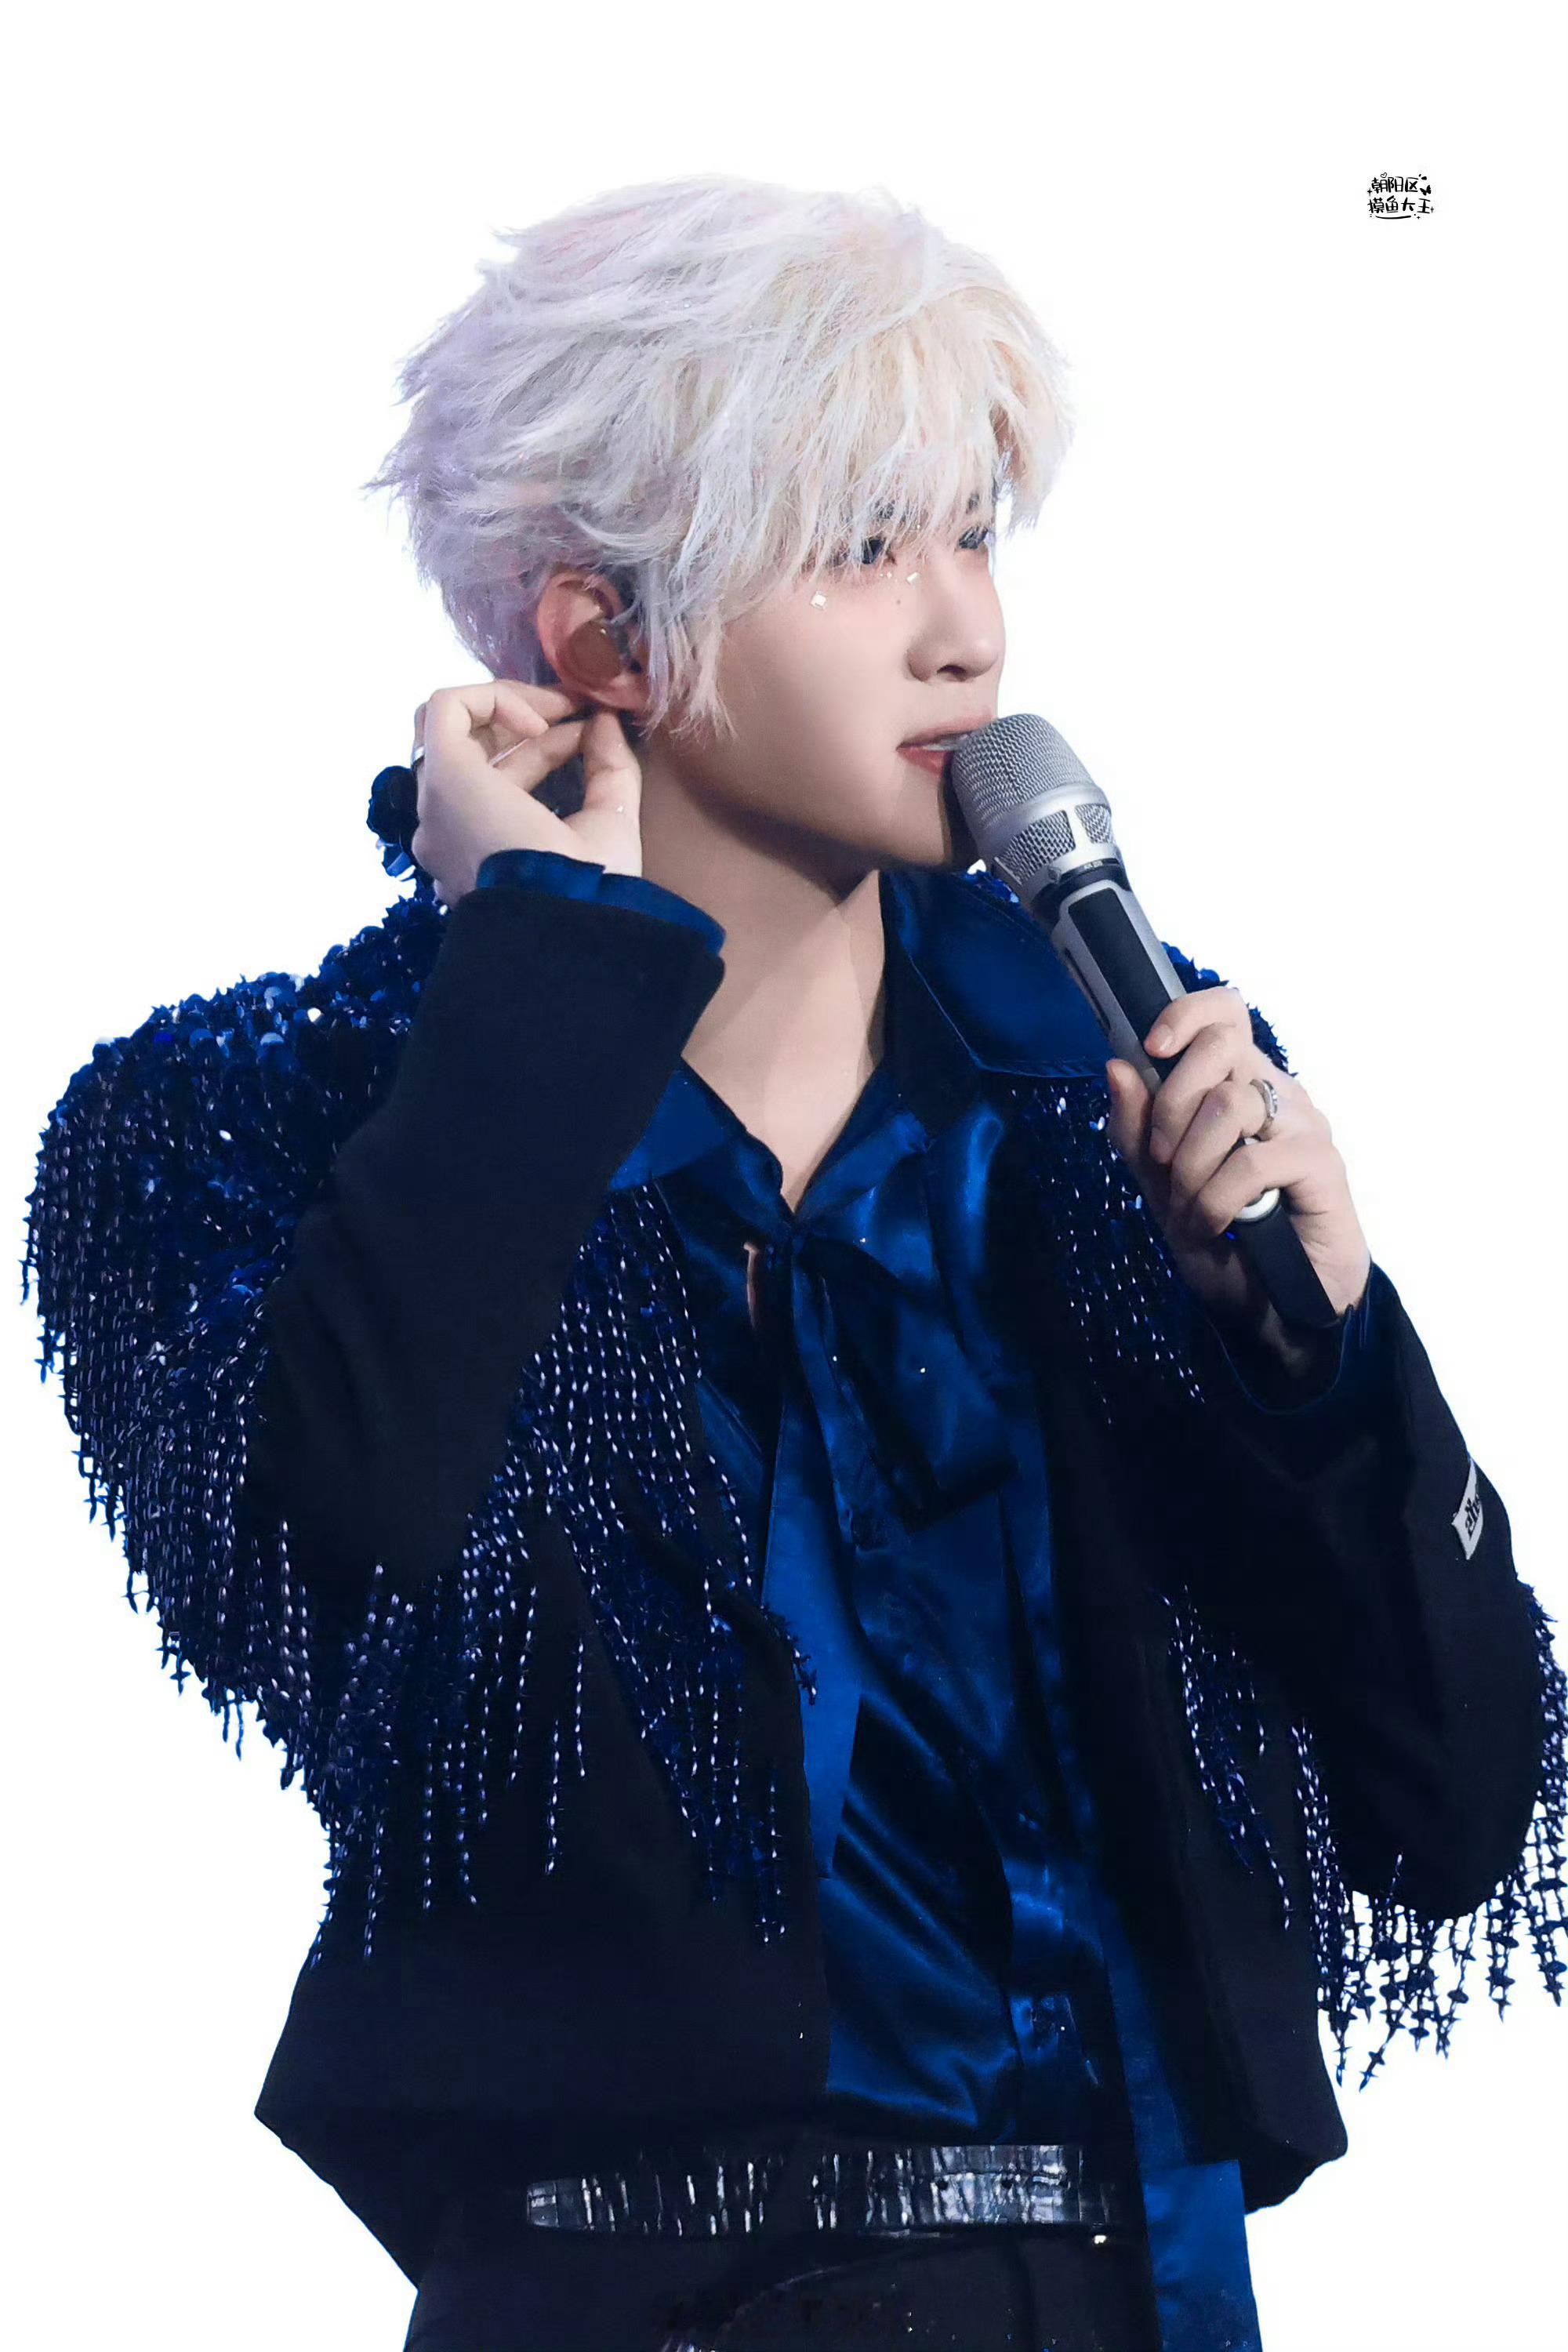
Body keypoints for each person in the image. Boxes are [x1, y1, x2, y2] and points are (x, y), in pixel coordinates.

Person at [24, 174, 1566, 2352]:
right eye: (861, 547)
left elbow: (1461, 1801)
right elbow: (325, 1549)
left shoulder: (1104, 1102)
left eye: (975, 535)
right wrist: (544, 980)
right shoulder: (242, 1126)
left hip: (1128, 2291)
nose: (969, 634)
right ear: (602, 638)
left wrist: (1313, 1369)